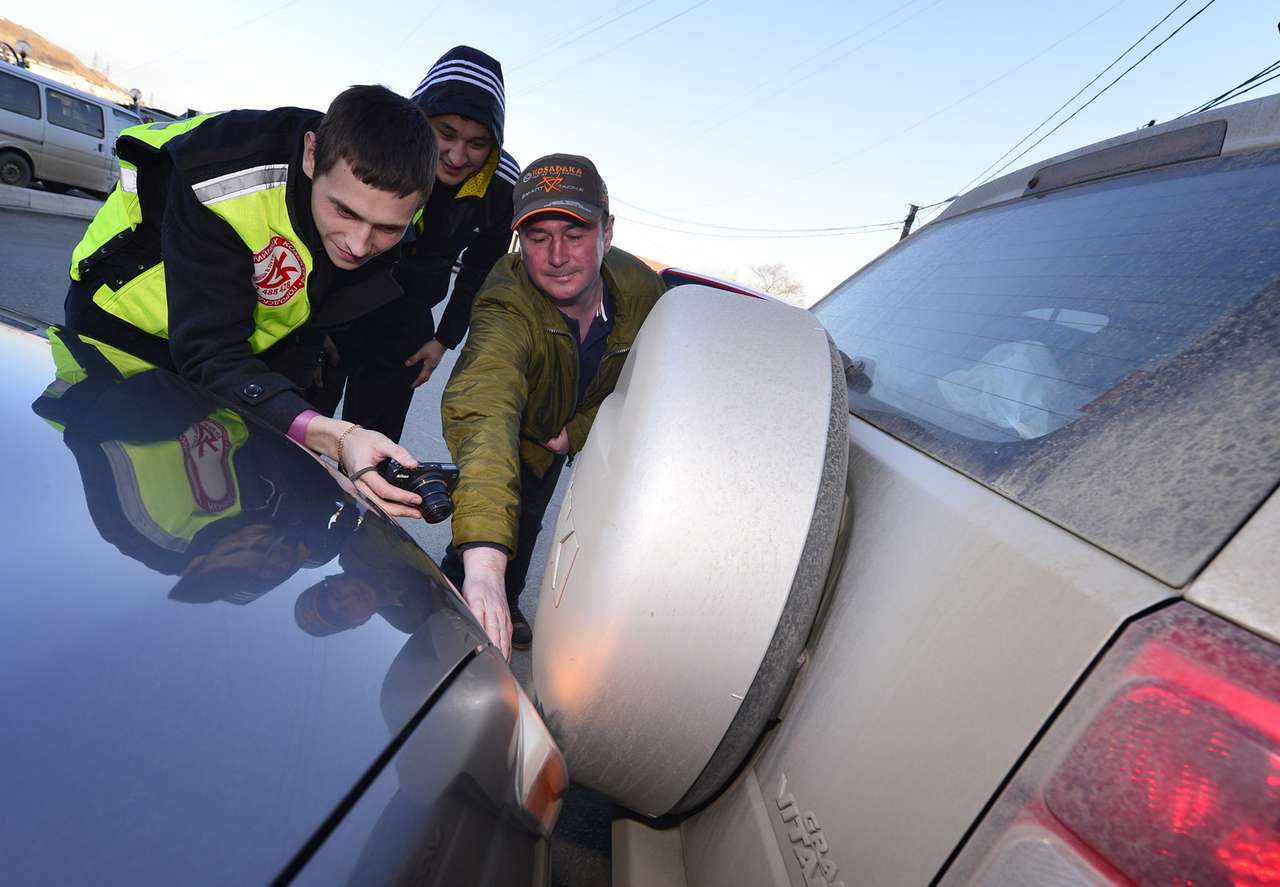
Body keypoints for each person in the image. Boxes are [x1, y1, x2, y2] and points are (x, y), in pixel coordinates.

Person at [63, 85, 436, 520]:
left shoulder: (396, 201)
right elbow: (210, 354)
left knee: (221, 475)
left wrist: (305, 429)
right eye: (345, 212)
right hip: (123, 324)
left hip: (235, 344)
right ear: (311, 156)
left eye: (386, 229)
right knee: (120, 455)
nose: (359, 244)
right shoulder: (222, 176)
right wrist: (333, 435)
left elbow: (308, 318)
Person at [440, 154, 667, 656]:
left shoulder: (645, 293)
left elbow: (653, 380)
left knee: (533, 515)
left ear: (607, 232)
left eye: (576, 233)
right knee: (496, 508)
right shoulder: (505, 299)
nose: (557, 256)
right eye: (538, 238)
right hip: (522, 429)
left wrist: (579, 431)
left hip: (577, 424)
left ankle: (509, 598)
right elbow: (485, 406)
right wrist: (482, 569)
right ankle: (458, 594)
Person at [311, 46, 519, 442]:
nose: (459, 156)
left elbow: (481, 270)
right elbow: (318, 231)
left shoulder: (502, 185)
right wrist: (308, 322)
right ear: (418, 116)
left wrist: (444, 340)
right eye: (446, 134)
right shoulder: (373, 143)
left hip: (405, 326)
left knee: (373, 454)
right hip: (336, 304)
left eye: (478, 143)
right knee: (300, 428)